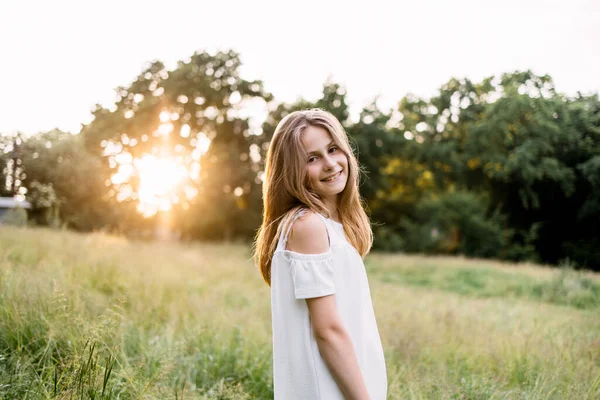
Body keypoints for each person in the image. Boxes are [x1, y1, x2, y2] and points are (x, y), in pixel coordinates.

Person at [253, 109, 387, 399]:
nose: (329, 164)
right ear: (291, 171)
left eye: (332, 149)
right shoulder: (307, 226)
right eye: (312, 158)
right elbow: (327, 330)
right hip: (327, 390)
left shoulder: (330, 227)